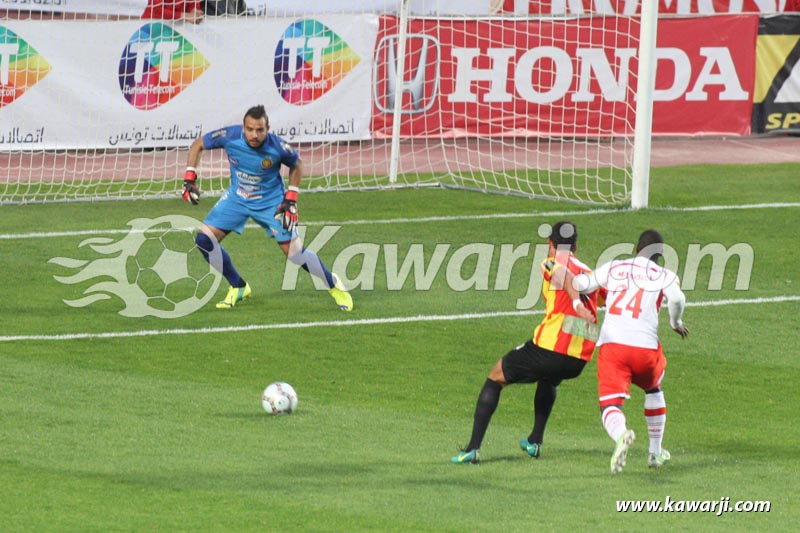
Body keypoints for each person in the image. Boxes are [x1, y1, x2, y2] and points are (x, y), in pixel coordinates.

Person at [451, 221, 603, 464]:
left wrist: (574, 304)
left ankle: (472, 449)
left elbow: (563, 276)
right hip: (580, 357)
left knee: (495, 376)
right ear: (576, 245)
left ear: (551, 244)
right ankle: (535, 442)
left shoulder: (553, 262)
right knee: (549, 378)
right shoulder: (590, 272)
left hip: (552, 347)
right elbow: (605, 295)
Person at [181, 104, 353, 311]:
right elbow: (198, 144)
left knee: (296, 255)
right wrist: (189, 176)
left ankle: (334, 285)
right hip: (237, 198)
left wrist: (290, 199)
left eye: (260, 130)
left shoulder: (277, 147)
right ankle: (238, 286)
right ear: (243, 128)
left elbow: (296, 164)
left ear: (267, 128)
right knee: (204, 240)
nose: (254, 134)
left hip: (271, 203)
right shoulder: (229, 136)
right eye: (250, 129)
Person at [570, 229, 689, 474]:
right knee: (654, 388)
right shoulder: (665, 274)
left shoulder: (614, 267)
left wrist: (567, 279)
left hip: (613, 347)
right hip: (645, 351)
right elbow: (677, 298)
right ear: (659, 256)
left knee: (610, 405)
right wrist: (675, 323)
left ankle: (622, 435)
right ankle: (655, 453)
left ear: (636, 248)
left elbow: (583, 284)